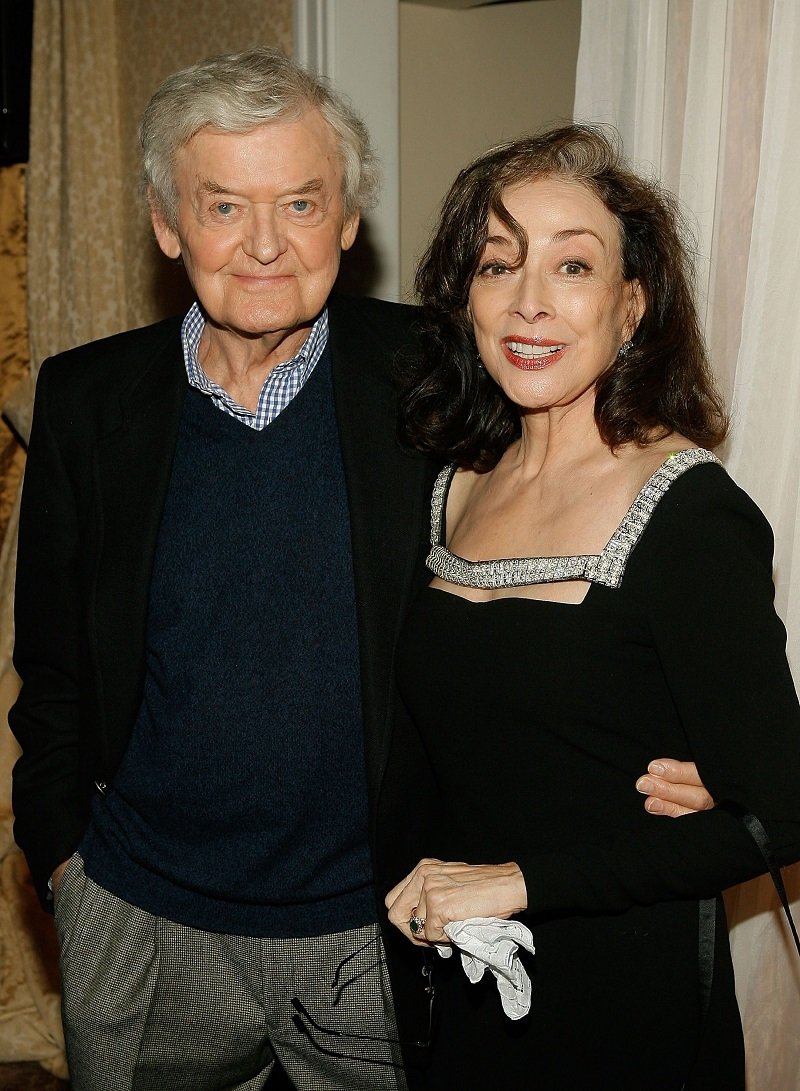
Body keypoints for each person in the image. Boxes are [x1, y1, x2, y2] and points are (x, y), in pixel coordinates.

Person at [9, 48, 710, 1090]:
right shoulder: (86, 401)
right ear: (167, 225)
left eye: (299, 202)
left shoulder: (442, 380)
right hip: (142, 921)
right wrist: (67, 860)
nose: (262, 245)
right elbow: (54, 669)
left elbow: (582, 534)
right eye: (222, 207)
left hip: (378, 927)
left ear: (346, 221)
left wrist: (687, 743)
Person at [385, 124, 800, 1090]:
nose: (531, 302)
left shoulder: (691, 511)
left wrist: (519, 881)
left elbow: (778, 815)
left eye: (573, 266)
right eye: (499, 265)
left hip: (621, 1004)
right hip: (452, 994)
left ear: (632, 307)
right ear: (466, 300)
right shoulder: (444, 486)